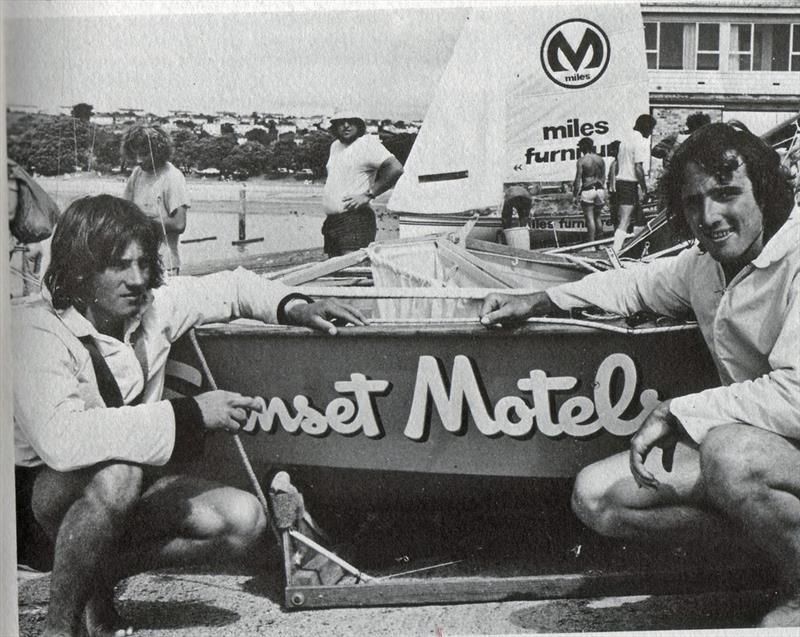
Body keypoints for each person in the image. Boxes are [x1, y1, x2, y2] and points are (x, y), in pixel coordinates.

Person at [480, 122, 799, 628]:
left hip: (770, 447)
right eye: (693, 202)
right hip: (768, 455)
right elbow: (635, 285)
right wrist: (542, 299)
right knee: (598, 497)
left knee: (728, 453)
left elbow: (797, 395)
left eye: (726, 194)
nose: (709, 218)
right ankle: (777, 554)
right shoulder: (707, 264)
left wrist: (677, 409)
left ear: (767, 189)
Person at [13, 194, 368, 637]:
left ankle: (93, 583)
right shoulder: (34, 331)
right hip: (35, 512)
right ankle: (59, 627)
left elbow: (233, 287)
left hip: (118, 501)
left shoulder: (153, 307)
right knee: (118, 473)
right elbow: (61, 438)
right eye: (119, 266)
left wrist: (297, 307)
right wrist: (193, 415)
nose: (138, 279)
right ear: (80, 270)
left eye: (144, 264)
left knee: (244, 520)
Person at [321, 111, 404, 257]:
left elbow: (395, 168)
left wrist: (369, 195)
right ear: (334, 126)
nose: (346, 125)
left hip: (355, 220)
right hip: (333, 222)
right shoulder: (335, 146)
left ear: (359, 124)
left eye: (351, 121)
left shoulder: (367, 143)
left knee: (351, 269)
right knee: (335, 273)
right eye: (341, 122)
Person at [121, 124, 190, 275]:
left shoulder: (173, 177)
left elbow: (179, 224)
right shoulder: (137, 173)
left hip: (165, 264)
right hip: (137, 263)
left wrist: (143, 221)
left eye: (144, 154)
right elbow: (123, 210)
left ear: (159, 152)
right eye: (135, 154)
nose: (138, 160)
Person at [612, 114, 656, 252]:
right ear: (646, 127)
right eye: (651, 129)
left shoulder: (625, 140)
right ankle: (615, 251)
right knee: (625, 220)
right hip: (629, 183)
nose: (651, 133)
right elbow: (638, 168)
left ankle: (638, 250)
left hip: (622, 182)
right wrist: (644, 188)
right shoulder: (639, 142)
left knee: (640, 220)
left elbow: (619, 165)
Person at [572, 137, 606, 243]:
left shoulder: (582, 161)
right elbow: (603, 177)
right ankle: (600, 243)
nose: (579, 148)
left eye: (580, 146)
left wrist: (574, 195)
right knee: (598, 217)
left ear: (583, 147)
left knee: (590, 218)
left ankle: (591, 244)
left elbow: (578, 180)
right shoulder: (600, 159)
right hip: (600, 189)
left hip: (588, 190)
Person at [605, 140, 621, 231]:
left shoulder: (622, 163)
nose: (610, 152)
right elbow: (609, 178)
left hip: (620, 193)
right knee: (614, 217)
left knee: (620, 217)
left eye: (612, 150)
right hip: (613, 194)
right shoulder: (613, 163)